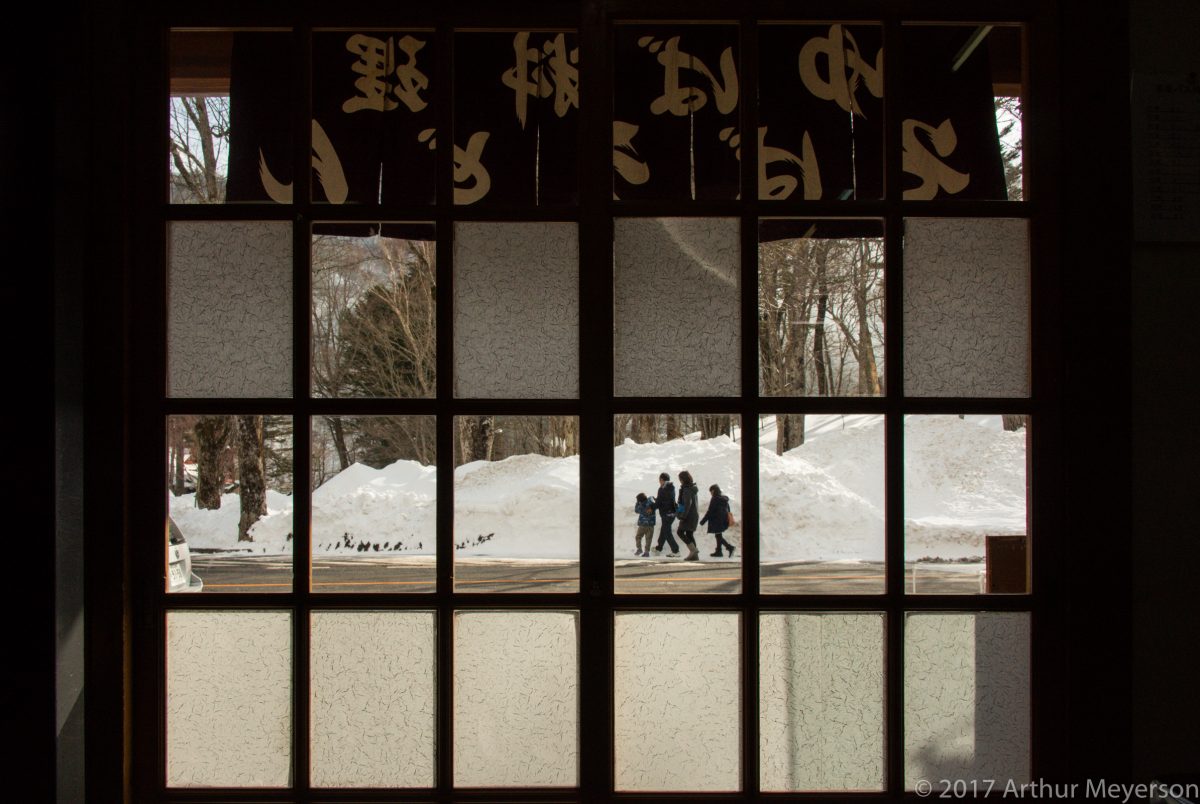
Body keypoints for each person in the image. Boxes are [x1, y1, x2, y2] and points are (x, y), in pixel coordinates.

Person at [699, 483, 735, 558]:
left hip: (716, 521)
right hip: (722, 520)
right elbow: (728, 509)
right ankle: (719, 551)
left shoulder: (715, 499)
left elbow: (710, 511)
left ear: (714, 491)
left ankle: (730, 547)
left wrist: (703, 521)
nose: (711, 493)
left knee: (718, 536)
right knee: (718, 535)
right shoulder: (723, 498)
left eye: (711, 491)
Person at [652, 472, 680, 556]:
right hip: (672, 513)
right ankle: (659, 548)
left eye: (659, 480)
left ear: (662, 479)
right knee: (664, 530)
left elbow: (659, 503)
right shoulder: (671, 487)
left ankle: (676, 551)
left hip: (666, 513)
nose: (659, 482)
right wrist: (658, 500)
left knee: (666, 531)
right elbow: (666, 500)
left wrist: (651, 506)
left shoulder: (662, 489)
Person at [675, 469, 701, 561]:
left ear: (683, 479)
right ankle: (695, 555)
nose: (680, 481)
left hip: (688, 516)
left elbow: (687, 504)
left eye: (680, 479)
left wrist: (683, 516)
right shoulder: (692, 488)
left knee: (680, 532)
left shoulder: (686, 489)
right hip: (694, 515)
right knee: (689, 534)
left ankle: (693, 551)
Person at [633, 492, 656, 557]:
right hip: (651, 525)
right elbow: (652, 499)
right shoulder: (651, 502)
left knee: (638, 537)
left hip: (643, 525)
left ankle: (639, 549)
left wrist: (637, 503)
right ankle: (646, 552)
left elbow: (636, 510)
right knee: (649, 539)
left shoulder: (641, 506)